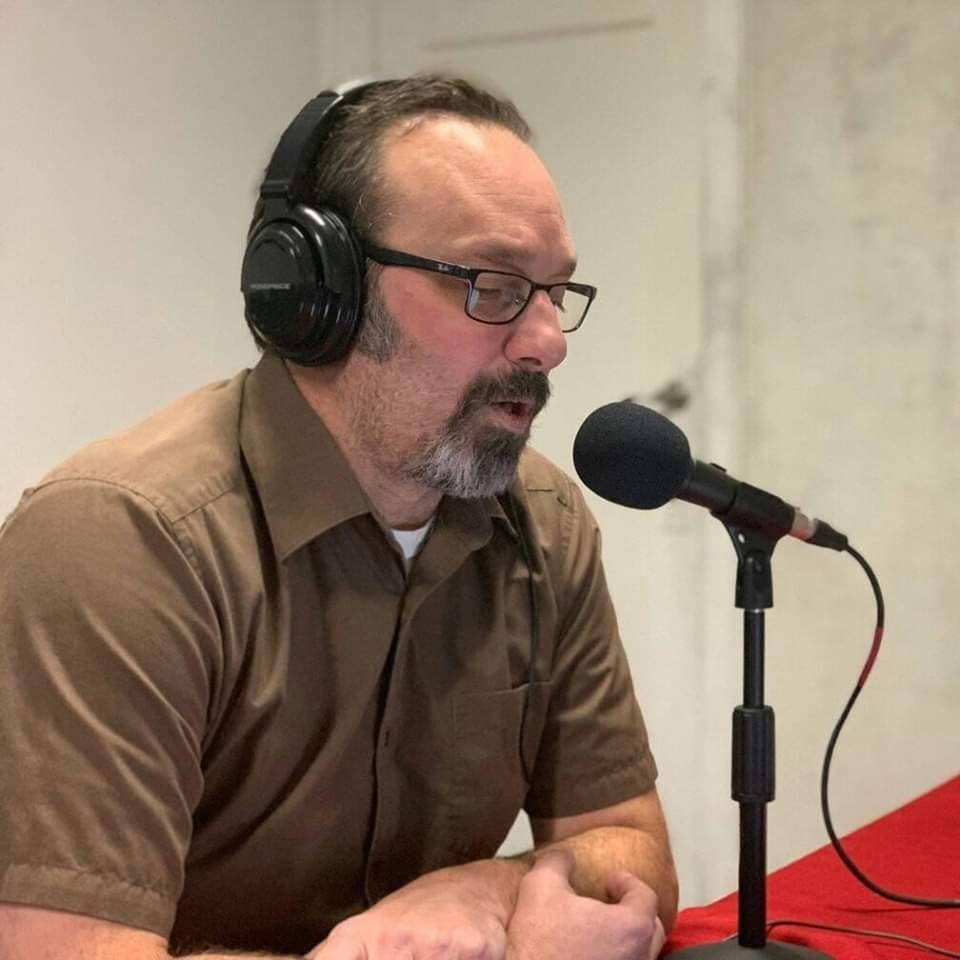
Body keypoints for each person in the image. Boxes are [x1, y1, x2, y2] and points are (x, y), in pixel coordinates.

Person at [0, 73, 677, 959]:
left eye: (555, 291)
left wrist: (483, 888)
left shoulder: (544, 524)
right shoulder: (122, 543)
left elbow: (631, 848)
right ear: (319, 290)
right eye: (494, 285)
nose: (547, 341)